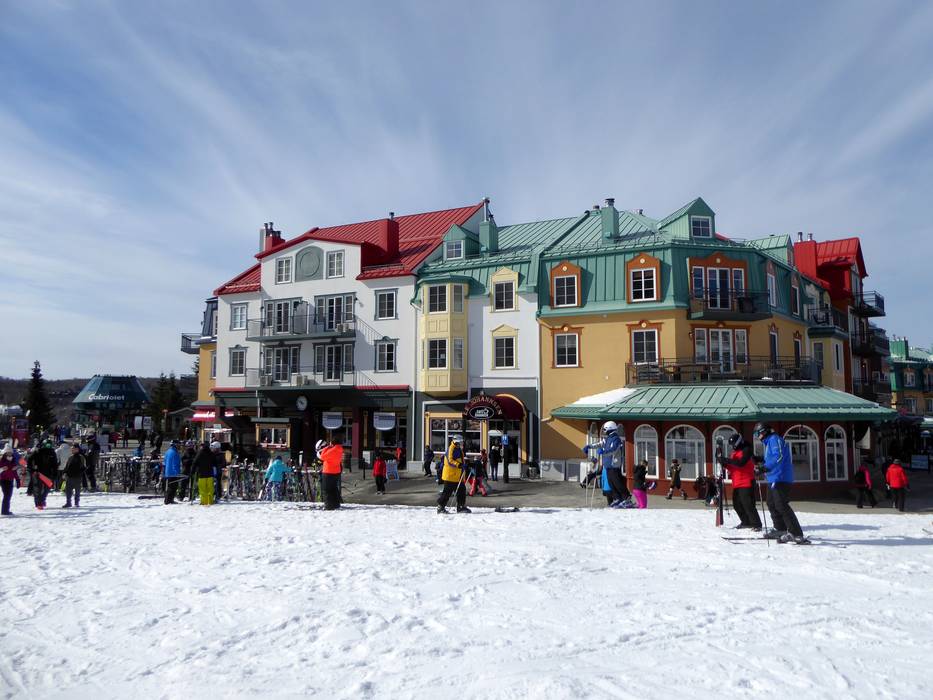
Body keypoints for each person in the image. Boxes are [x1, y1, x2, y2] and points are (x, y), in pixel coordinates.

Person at [754, 422, 807, 544]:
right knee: (771, 504)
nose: (758, 436)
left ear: (764, 431)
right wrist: (760, 460)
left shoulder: (774, 439)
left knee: (781, 505)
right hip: (773, 478)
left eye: (758, 433)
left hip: (781, 478)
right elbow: (771, 458)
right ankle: (780, 528)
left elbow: (779, 456)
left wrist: (764, 467)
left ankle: (796, 533)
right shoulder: (769, 442)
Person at [584, 421, 633, 508]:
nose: (604, 431)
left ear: (610, 429)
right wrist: (589, 446)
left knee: (617, 482)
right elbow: (600, 444)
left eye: (605, 429)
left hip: (614, 464)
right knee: (611, 483)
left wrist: (603, 452)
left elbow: (614, 449)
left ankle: (626, 498)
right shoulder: (607, 439)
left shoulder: (616, 439)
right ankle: (617, 498)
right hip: (608, 465)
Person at [722, 433, 762, 530]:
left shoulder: (746, 450)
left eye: (733, 445)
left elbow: (740, 463)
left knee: (748, 505)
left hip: (746, 481)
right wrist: (723, 462)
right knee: (737, 505)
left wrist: (727, 460)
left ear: (738, 443)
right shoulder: (734, 453)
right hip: (737, 482)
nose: (732, 447)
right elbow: (733, 467)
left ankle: (756, 524)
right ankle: (746, 522)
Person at [437, 435, 469, 513]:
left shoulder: (458, 449)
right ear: (456, 441)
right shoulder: (451, 448)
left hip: (457, 475)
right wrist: (459, 465)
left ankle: (460, 506)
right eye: (460, 442)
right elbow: (450, 460)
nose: (461, 443)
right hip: (450, 475)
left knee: (461, 491)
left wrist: (467, 464)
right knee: (447, 492)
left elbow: (460, 459)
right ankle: (441, 507)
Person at [27, 439, 59, 510]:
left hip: (48, 473)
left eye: (50, 445)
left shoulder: (52, 452)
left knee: (47, 488)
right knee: (37, 488)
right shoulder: (38, 451)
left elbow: (55, 464)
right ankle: (38, 503)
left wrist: (55, 473)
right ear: (44, 445)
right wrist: (31, 469)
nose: (48, 446)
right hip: (38, 472)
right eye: (47, 445)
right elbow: (29, 459)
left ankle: (42, 499)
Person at [320, 438, 344, 510]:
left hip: (328, 471)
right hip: (336, 471)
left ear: (332, 443)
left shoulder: (333, 450)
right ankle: (336, 504)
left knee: (327, 489)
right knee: (334, 488)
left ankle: (328, 505)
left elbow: (322, 456)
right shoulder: (340, 449)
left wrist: (326, 448)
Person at [62, 443, 86, 508]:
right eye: (72, 448)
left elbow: (84, 467)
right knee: (68, 491)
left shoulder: (81, 457)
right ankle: (68, 503)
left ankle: (76, 503)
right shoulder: (70, 457)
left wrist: (80, 473)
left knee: (77, 491)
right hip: (69, 476)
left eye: (73, 449)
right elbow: (67, 466)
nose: (72, 450)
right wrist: (64, 472)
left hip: (77, 477)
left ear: (77, 449)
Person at [1, 446, 21, 515]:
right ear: (5, 453)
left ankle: (6, 510)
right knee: (6, 495)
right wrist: (2, 469)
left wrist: (18, 480)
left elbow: (14, 472)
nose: (9, 454)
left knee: (9, 495)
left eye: (10, 452)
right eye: (8, 452)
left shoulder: (13, 460)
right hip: (3, 480)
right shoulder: (2, 460)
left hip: (11, 480)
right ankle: (4, 511)